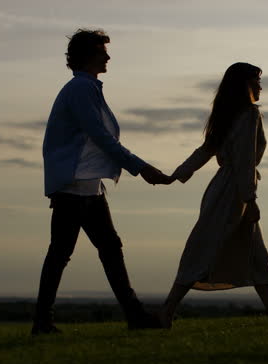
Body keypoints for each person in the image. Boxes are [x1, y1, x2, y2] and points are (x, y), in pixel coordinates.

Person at [32, 29, 171, 335]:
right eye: (101, 52)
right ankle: (45, 321)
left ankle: (131, 316)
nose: (107, 57)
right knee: (69, 253)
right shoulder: (81, 89)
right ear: (85, 57)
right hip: (75, 189)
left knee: (102, 249)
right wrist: (142, 168)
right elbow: (101, 137)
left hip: (88, 188)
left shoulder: (88, 88)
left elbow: (98, 140)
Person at [159, 62, 268, 327]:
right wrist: (250, 200)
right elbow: (243, 160)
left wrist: (178, 174)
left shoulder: (228, 115)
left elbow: (205, 151)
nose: (260, 86)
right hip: (233, 193)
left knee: (255, 256)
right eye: (256, 81)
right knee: (202, 250)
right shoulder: (247, 115)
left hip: (226, 189)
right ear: (245, 85)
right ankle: (166, 313)